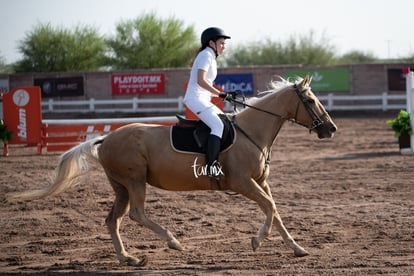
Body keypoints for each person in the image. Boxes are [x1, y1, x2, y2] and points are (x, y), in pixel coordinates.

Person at [183, 27, 231, 178]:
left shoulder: (210, 56)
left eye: (224, 43)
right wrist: (220, 93)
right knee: (218, 125)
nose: (224, 46)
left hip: (203, 98)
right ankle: (211, 167)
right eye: (221, 43)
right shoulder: (206, 55)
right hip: (195, 99)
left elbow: (204, 86)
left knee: (226, 122)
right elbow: (200, 80)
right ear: (211, 43)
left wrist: (224, 96)